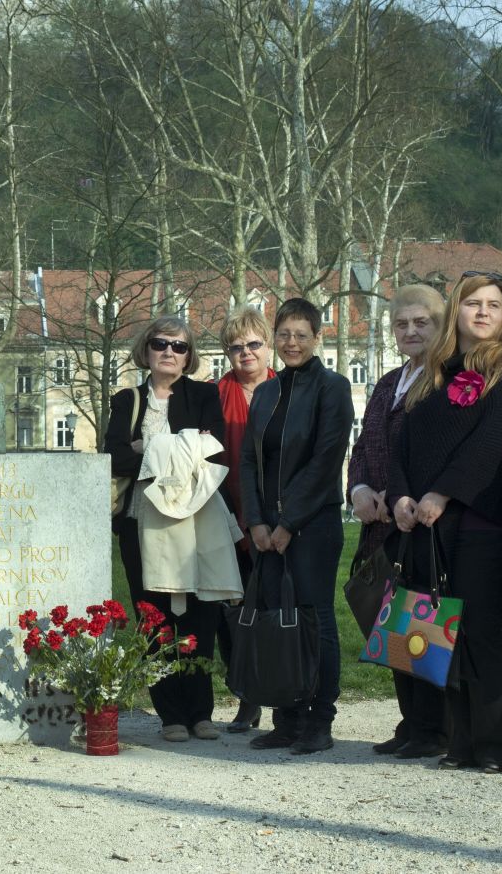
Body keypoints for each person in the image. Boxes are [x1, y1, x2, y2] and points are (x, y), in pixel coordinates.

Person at [390, 272, 502, 774]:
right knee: (441, 631)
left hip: (481, 517)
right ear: (457, 309)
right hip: (429, 522)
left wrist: (443, 491)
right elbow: (403, 439)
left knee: (482, 631)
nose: (482, 312)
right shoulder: (436, 368)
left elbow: (491, 442)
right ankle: (462, 740)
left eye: (492, 305)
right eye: (472, 303)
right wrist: (402, 494)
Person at [239, 298, 355, 755]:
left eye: (301, 335)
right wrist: (256, 522)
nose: (291, 343)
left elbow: (327, 461)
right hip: (267, 528)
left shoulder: (333, 388)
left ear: (317, 338)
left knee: (314, 620)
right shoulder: (266, 392)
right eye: (284, 335)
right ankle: (286, 717)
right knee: (275, 622)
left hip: (312, 524)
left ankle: (320, 719)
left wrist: (288, 522)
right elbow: (249, 460)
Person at [104, 315, 226, 742]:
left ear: (189, 356)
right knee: (152, 616)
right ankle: (170, 713)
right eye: (161, 344)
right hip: (140, 524)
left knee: (199, 616)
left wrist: (148, 448)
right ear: (146, 349)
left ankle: (202, 711)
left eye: (180, 346)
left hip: (194, 520)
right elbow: (114, 457)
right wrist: (179, 447)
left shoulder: (205, 395)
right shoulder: (127, 400)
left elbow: (215, 451)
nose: (170, 353)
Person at [347, 285, 447, 759]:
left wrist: (400, 493)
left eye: (420, 322)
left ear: (439, 324)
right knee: (392, 625)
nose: (409, 331)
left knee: (423, 627)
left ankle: (433, 727)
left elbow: (437, 451)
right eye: (401, 324)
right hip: (379, 526)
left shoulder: (448, 379)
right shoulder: (389, 381)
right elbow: (364, 446)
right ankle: (411, 720)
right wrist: (360, 489)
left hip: (420, 523)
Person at [214, 307, 276, 734]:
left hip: (281, 519)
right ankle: (247, 696)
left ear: (268, 347)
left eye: (253, 344)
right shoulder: (214, 395)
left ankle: (289, 691)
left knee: (279, 608)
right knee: (234, 615)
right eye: (236, 347)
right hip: (228, 517)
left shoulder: (288, 388)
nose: (246, 352)